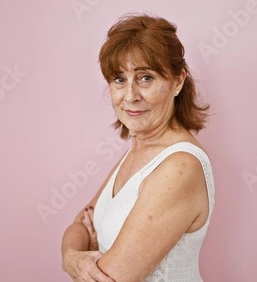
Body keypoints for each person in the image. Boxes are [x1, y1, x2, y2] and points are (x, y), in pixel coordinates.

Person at [61, 13, 215, 282]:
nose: (130, 95)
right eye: (119, 79)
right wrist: (72, 258)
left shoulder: (180, 166)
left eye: (146, 78)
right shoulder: (138, 151)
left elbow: (111, 278)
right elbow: (79, 224)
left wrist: (77, 257)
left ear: (178, 81)